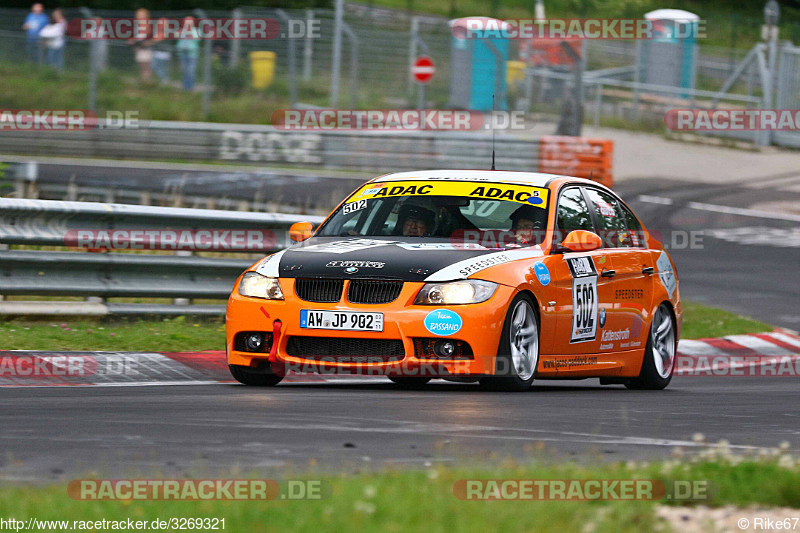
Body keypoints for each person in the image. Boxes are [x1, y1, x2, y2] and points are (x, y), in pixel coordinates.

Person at [128, 8, 153, 82]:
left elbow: (150, 38)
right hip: (139, 48)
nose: (139, 17)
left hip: (145, 48)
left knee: (146, 66)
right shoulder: (137, 26)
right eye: (138, 15)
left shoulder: (148, 25)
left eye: (141, 15)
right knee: (141, 65)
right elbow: (137, 37)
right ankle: (144, 81)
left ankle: (147, 81)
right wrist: (133, 41)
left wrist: (146, 42)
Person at [176, 16, 200, 91]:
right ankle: (185, 87)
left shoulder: (196, 31)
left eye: (190, 22)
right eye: (186, 22)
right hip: (182, 53)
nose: (188, 24)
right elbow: (177, 36)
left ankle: (191, 87)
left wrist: (188, 32)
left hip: (192, 54)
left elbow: (197, 39)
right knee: (184, 70)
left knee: (191, 71)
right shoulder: (181, 30)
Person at [150, 18, 172, 84]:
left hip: (163, 54)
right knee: (155, 67)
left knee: (159, 68)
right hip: (157, 53)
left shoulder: (166, 31)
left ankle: (165, 80)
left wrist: (148, 42)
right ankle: (163, 80)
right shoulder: (158, 31)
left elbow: (156, 39)